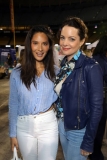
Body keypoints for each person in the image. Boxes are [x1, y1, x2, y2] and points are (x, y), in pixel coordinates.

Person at [54, 16, 103, 160]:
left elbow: (97, 108)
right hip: (62, 126)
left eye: (71, 39)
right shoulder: (63, 65)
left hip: (79, 131)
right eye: (62, 38)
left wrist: (88, 141)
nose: (64, 43)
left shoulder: (91, 67)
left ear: (82, 41)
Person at [8, 25, 59, 160]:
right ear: (29, 44)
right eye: (35, 43)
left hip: (48, 125)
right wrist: (13, 134)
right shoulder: (17, 73)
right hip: (24, 126)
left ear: (49, 47)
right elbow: (13, 104)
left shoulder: (56, 72)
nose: (40, 49)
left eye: (44, 44)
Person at [88, 35, 107, 160]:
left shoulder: (95, 59)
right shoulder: (101, 61)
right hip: (99, 100)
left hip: (96, 100)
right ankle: (95, 154)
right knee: (98, 129)